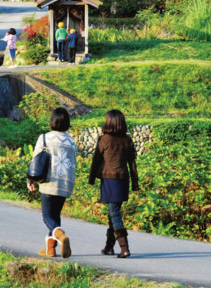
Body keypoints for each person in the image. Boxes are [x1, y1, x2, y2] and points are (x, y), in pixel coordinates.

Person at [26, 107, 76, 259]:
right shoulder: (71, 141)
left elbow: (36, 160)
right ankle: (50, 249)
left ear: (52, 121)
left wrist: (30, 179)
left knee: (47, 216)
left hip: (49, 182)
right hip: (65, 184)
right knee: (55, 215)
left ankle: (60, 236)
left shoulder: (45, 138)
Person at [88, 109, 139, 258]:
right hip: (123, 180)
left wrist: (91, 179)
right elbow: (132, 164)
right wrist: (135, 184)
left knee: (114, 214)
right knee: (113, 214)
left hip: (109, 181)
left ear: (108, 122)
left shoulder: (104, 139)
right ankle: (109, 247)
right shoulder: (127, 140)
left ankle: (124, 248)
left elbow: (96, 161)